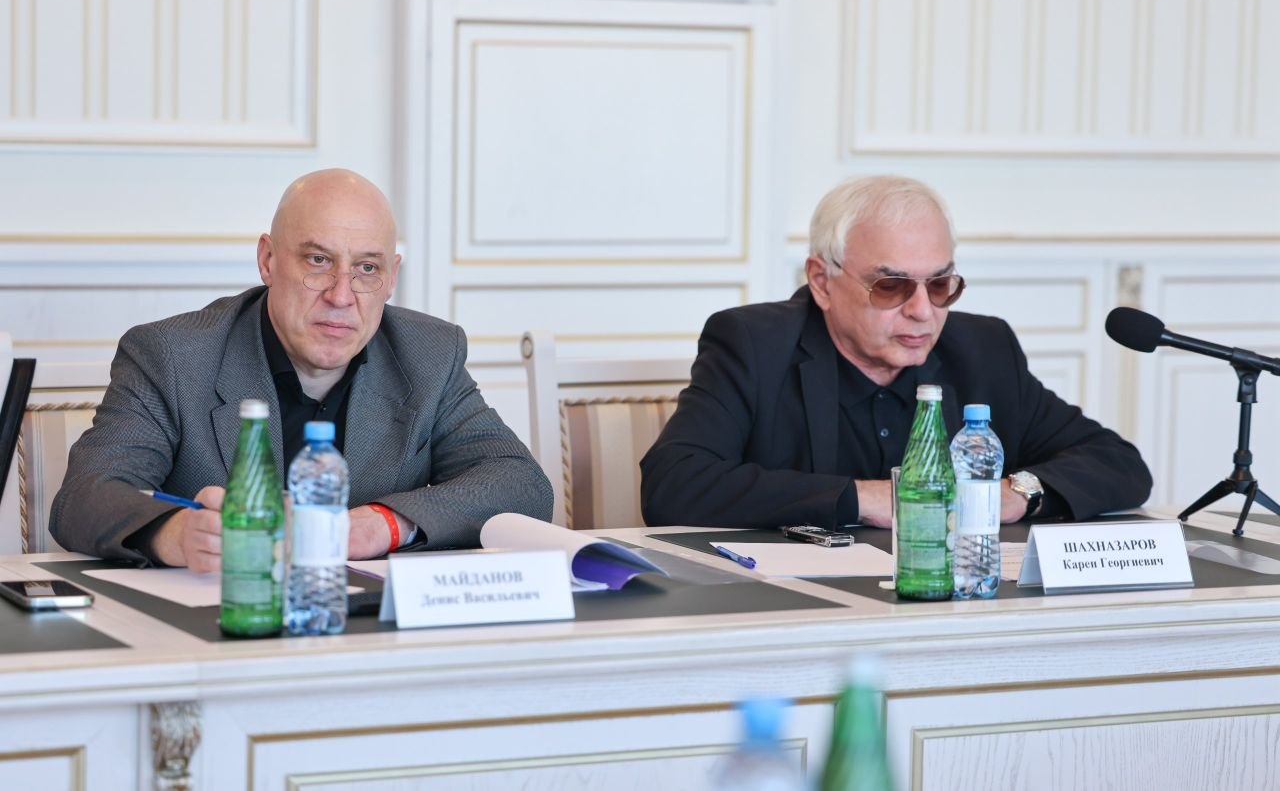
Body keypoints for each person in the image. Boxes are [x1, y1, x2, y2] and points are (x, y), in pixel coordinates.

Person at [51, 169, 552, 569]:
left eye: (367, 268)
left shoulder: (429, 354)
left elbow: (521, 482)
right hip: (219, 631)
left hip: (373, 634)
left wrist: (381, 525)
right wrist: (175, 534)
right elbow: (84, 496)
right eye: (318, 260)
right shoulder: (172, 355)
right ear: (268, 260)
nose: (341, 295)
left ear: (391, 278)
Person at [641, 175, 1151, 529]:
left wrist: (1017, 493)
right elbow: (674, 483)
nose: (923, 311)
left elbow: (1117, 463)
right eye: (890, 286)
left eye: (941, 284)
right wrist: (866, 498)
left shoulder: (983, 349)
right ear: (821, 281)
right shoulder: (754, 345)